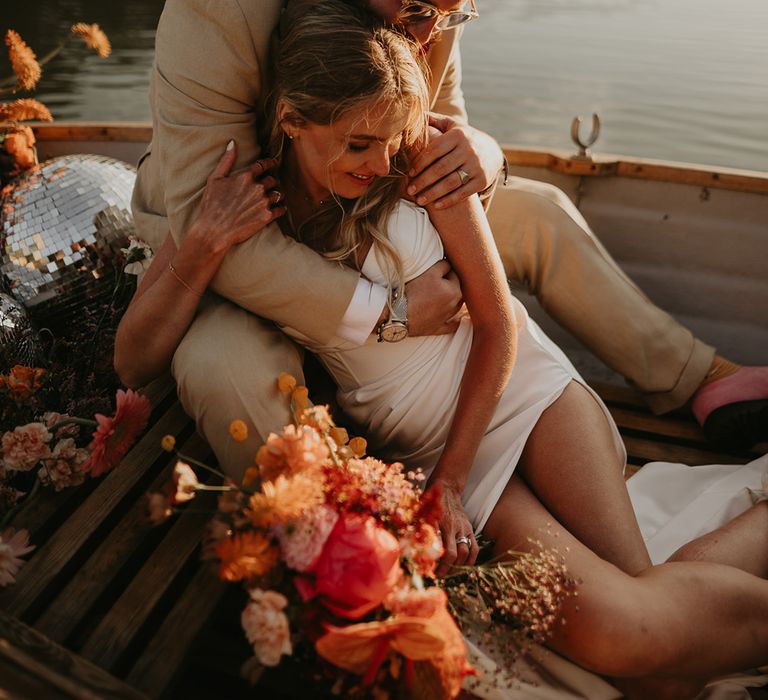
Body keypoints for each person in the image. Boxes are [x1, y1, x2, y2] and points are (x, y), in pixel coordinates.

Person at [118, 5, 768, 697]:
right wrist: (219, 249)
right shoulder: (252, 198)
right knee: (643, 647)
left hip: (518, 402)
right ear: (290, 121)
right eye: (361, 144)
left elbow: (494, 314)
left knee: (645, 629)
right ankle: (326, 563)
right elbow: (144, 338)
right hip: (441, 448)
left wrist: (479, 154)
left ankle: (707, 395)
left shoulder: (410, 149)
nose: (380, 161)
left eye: (445, 11)